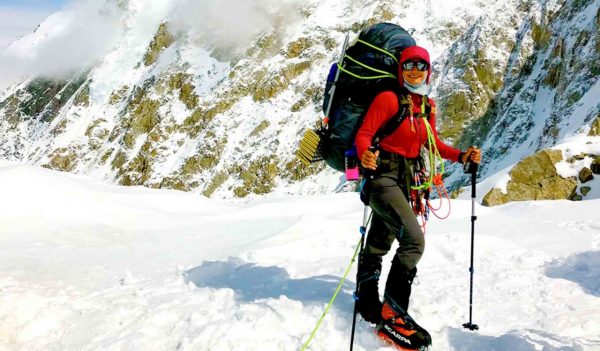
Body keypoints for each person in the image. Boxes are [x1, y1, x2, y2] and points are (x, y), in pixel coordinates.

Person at [354, 45, 482, 325]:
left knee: (378, 243)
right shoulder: (388, 99)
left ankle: (366, 302)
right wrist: (365, 154)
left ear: (428, 71)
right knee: (413, 242)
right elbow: (365, 133)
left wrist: (461, 156)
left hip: (406, 183)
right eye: (409, 65)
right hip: (382, 178)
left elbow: (432, 143)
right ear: (400, 69)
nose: (414, 71)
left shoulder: (427, 106)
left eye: (420, 66)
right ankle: (393, 312)